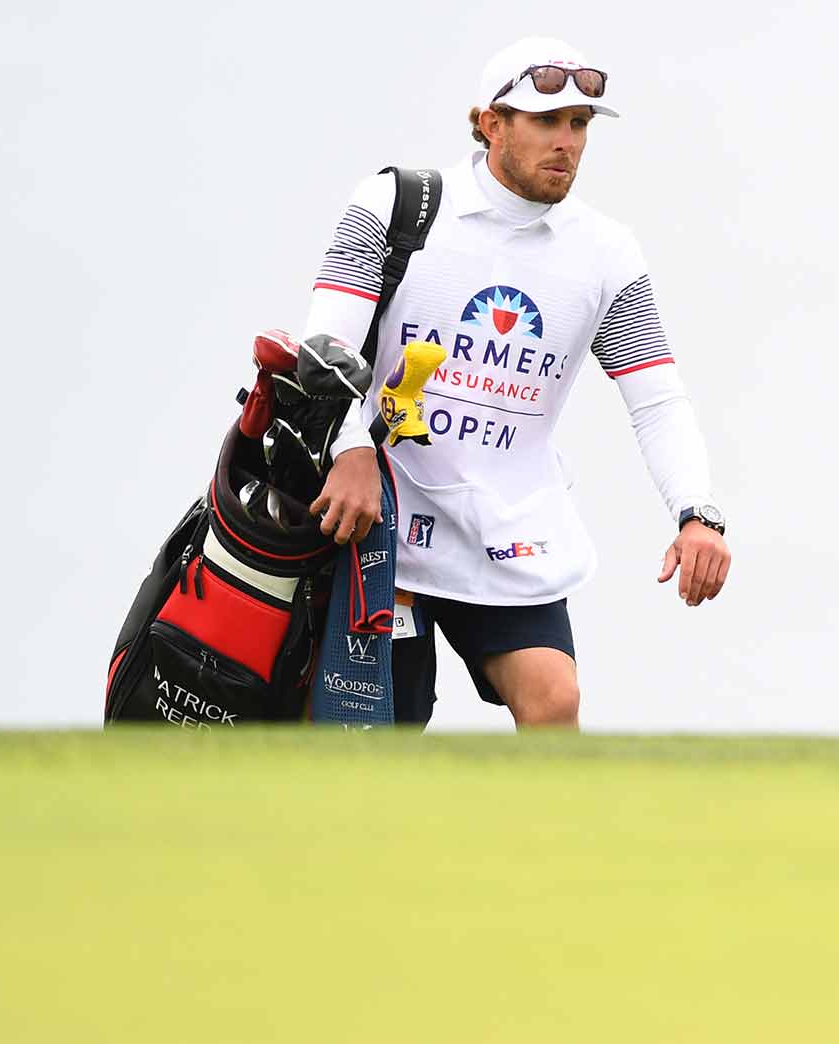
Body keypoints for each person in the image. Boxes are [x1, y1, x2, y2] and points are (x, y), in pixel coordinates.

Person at [302, 36, 731, 728]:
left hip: (510, 531)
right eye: (546, 121)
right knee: (385, 736)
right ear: (491, 122)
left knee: (556, 701)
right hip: (381, 527)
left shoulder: (606, 253)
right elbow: (321, 350)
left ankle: (546, 840)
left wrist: (696, 512)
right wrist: (350, 449)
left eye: (580, 124)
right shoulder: (396, 205)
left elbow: (656, 397)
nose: (567, 141)